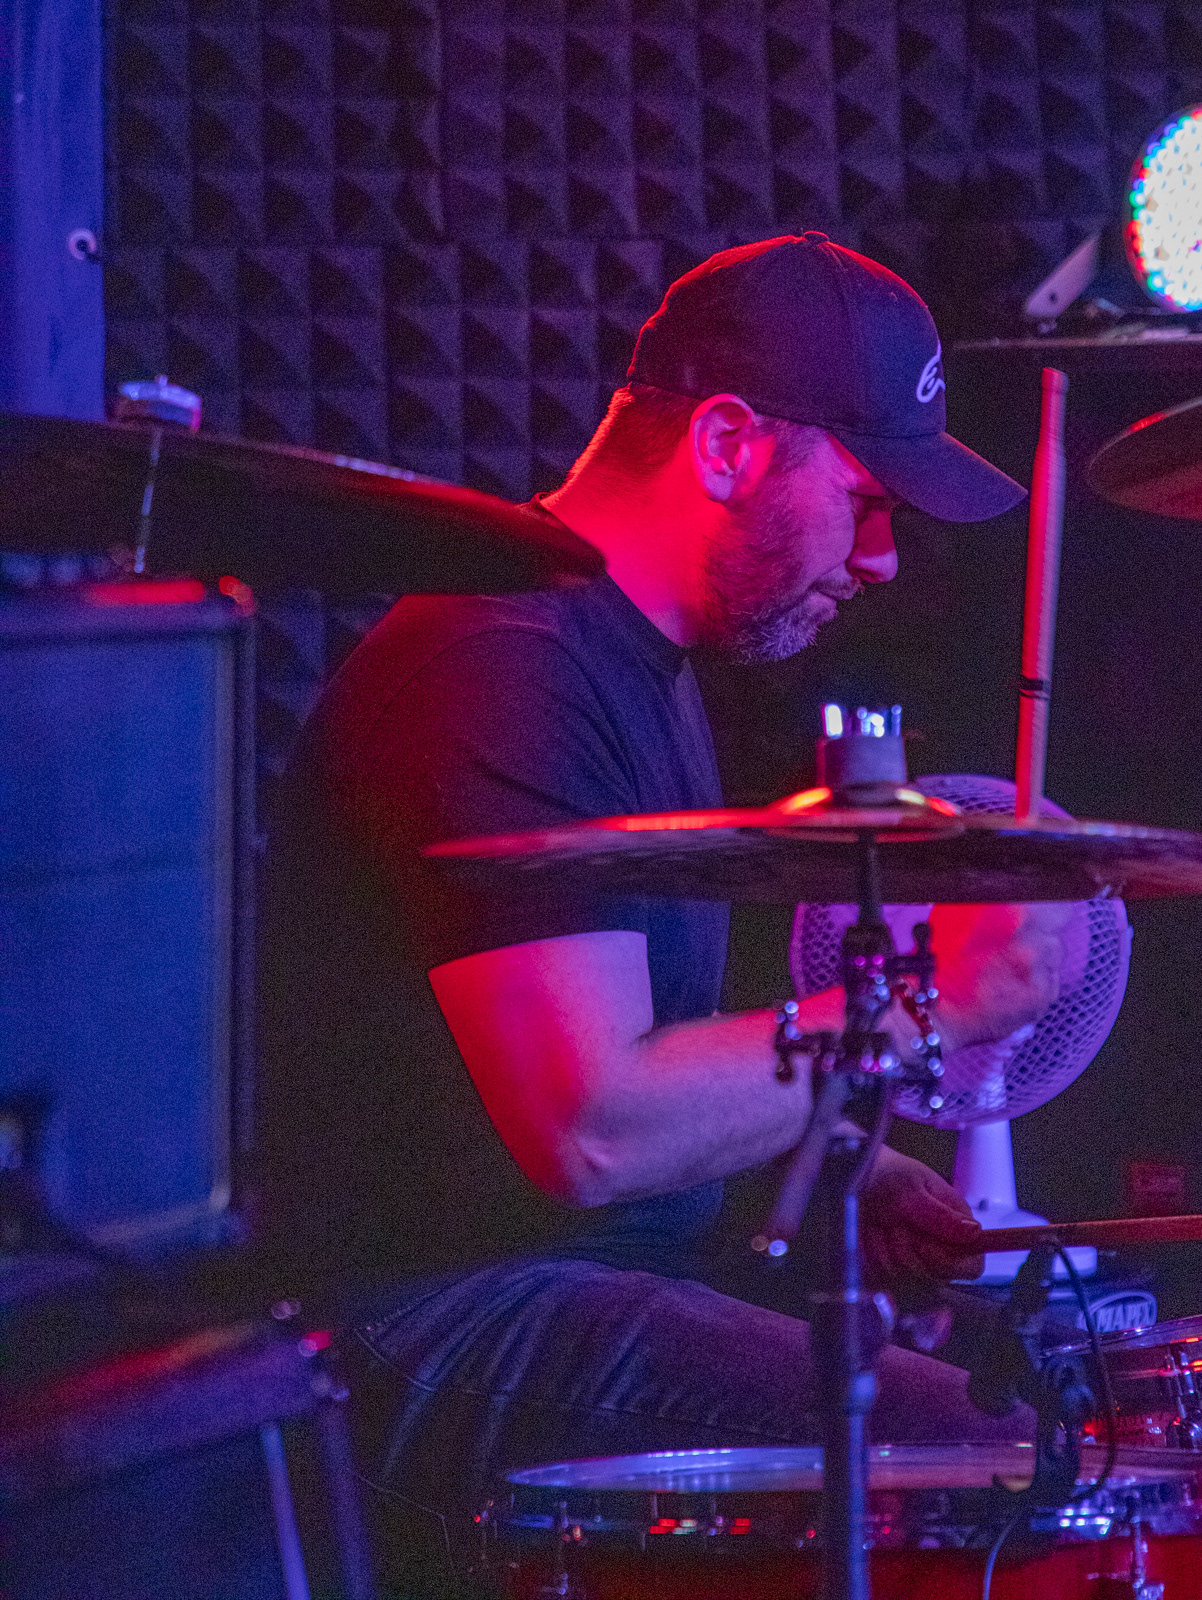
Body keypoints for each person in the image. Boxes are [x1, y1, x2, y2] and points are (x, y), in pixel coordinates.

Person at [258, 232, 1074, 1588]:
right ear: (729, 445)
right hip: (427, 1327)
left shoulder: (639, 664)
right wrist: (930, 1005)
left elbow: (618, 1093)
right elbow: (591, 1129)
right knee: (992, 1451)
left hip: (558, 1286)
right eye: (866, 500)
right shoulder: (504, 660)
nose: (882, 559)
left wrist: (829, 1160)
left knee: (1040, 1380)